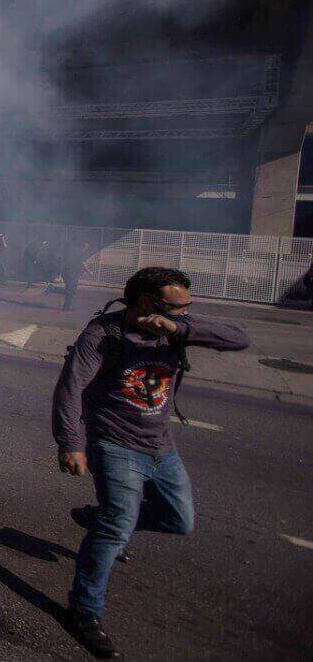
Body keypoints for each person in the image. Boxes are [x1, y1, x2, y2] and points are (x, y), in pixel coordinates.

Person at [52, 267, 249, 657]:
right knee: (115, 529)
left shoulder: (175, 329)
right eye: (178, 307)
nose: (186, 312)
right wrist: (70, 443)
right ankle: (83, 611)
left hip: (161, 446)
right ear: (146, 302)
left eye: (187, 307)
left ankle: (102, 517)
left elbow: (239, 339)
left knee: (180, 520)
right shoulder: (103, 334)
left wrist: (177, 327)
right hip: (115, 445)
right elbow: (70, 388)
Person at [57, 240, 95, 311]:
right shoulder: (79, 253)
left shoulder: (74, 252)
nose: (86, 249)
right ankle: (66, 307)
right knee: (70, 290)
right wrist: (90, 272)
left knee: (71, 290)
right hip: (70, 273)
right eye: (86, 247)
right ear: (83, 246)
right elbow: (83, 264)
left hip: (69, 273)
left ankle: (65, 305)